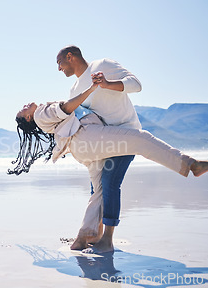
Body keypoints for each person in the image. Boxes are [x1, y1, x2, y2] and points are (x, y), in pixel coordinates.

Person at [8, 75, 208, 253]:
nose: (26, 106)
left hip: (81, 149)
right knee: (140, 139)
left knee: (100, 191)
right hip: (86, 138)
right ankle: (190, 165)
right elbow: (66, 107)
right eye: (23, 110)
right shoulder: (40, 113)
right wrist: (92, 88)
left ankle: (83, 238)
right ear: (28, 119)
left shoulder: (40, 117)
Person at [58, 45, 143, 253]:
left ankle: (108, 239)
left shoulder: (103, 65)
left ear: (70, 57)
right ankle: (94, 233)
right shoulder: (74, 89)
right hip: (103, 143)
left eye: (59, 63)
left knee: (110, 183)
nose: (59, 69)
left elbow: (136, 85)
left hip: (127, 135)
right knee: (96, 188)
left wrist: (107, 84)